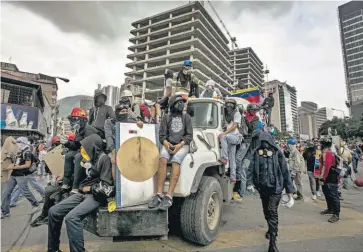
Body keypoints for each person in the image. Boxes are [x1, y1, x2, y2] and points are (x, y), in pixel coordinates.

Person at [47, 134, 114, 252]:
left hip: (96, 196)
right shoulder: (89, 159)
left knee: (72, 218)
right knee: (53, 211)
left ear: (93, 147)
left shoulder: (104, 159)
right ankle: (53, 249)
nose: (83, 151)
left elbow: (107, 188)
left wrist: (89, 188)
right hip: (82, 192)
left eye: (85, 148)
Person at [247, 131, 294, 252]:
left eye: (267, 142)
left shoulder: (278, 153)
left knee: (272, 211)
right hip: (263, 189)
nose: (265, 145)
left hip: (276, 188)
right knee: (266, 211)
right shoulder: (256, 153)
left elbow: (285, 172)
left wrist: (290, 192)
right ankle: (270, 228)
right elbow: (250, 169)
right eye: (262, 142)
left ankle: (273, 242)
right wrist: (249, 183)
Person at [148, 94, 193, 210]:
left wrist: (179, 145)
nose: (182, 104)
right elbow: (162, 136)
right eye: (179, 102)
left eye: (182, 102)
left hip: (182, 145)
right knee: (162, 159)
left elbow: (189, 136)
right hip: (169, 144)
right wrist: (167, 144)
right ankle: (158, 194)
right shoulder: (166, 117)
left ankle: (169, 196)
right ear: (173, 104)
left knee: (176, 161)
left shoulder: (186, 117)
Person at [61, 107, 103, 194]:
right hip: (84, 150)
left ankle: (75, 186)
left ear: (83, 120)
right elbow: (76, 146)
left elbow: (93, 147)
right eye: (72, 119)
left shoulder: (88, 130)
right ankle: (66, 183)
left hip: (94, 153)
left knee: (78, 156)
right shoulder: (79, 130)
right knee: (69, 155)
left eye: (75, 119)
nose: (73, 122)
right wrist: (67, 143)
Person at [104, 94, 143, 178]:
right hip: (114, 149)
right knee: (114, 160)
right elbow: (109, 137)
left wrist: (139, 123)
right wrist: (114, 151)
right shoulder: (109, 122)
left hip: (128, 148)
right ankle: (115, 185)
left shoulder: (130, 121)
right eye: (122, 111)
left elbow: (138, 129)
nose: (124, 113)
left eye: (126, 111)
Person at [1, 137, 41, 218]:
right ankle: (5, 211)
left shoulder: (27, 152)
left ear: (24, 143)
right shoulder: (19, 151)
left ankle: (36, 204)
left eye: (19, 142)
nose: (17, 144)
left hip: (21, 175)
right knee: (6, 193)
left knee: (25, 192)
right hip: (13, 175)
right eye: (17, 142)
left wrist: (13, 167)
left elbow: (27, 165)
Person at [30, 136, 65, 228]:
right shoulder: (61, 152)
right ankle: (45, 215)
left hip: (64, 181)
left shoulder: (66, 154)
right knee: (49, 192)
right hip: (58, 179)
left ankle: (47, 216)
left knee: (50, 192)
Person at [218, 99, 243, 200]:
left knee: (223, 137)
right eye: (227, 105)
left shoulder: (236, 113)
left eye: (230, 105)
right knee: (232, 158)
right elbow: (227, 126)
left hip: (235, 137)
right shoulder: (226, 115)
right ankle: (233, 177)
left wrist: (224, 133)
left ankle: (224, 157)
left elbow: (235, 126)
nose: (228, 107)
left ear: (233, 106)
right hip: (230, 137)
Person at [318, 136, 340, 223]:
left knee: (334, 196)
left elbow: (326, 167)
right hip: (328, 177)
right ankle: (330, 209)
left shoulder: (328, 154)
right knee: (327, 194)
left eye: (321, 144)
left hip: (330, 178)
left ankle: (336, 214)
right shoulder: (325, 153)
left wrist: (322, 178)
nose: (319, 145)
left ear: (324, 145)